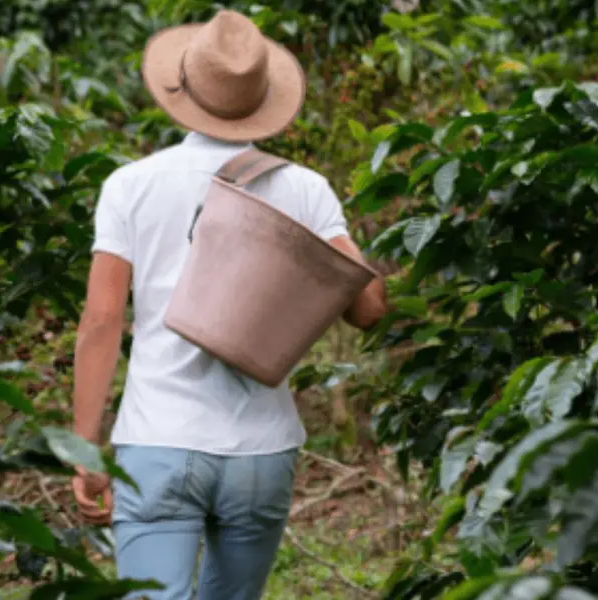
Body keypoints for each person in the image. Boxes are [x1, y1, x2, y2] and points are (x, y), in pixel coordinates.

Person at [68, 9, 390, 600]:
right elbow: (369, 308)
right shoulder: (304, 188)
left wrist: (84, 446)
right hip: (260, 453)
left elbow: (103, 320)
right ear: (262, 100)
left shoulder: (131, 185)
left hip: (159, 439)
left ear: (182, 89)